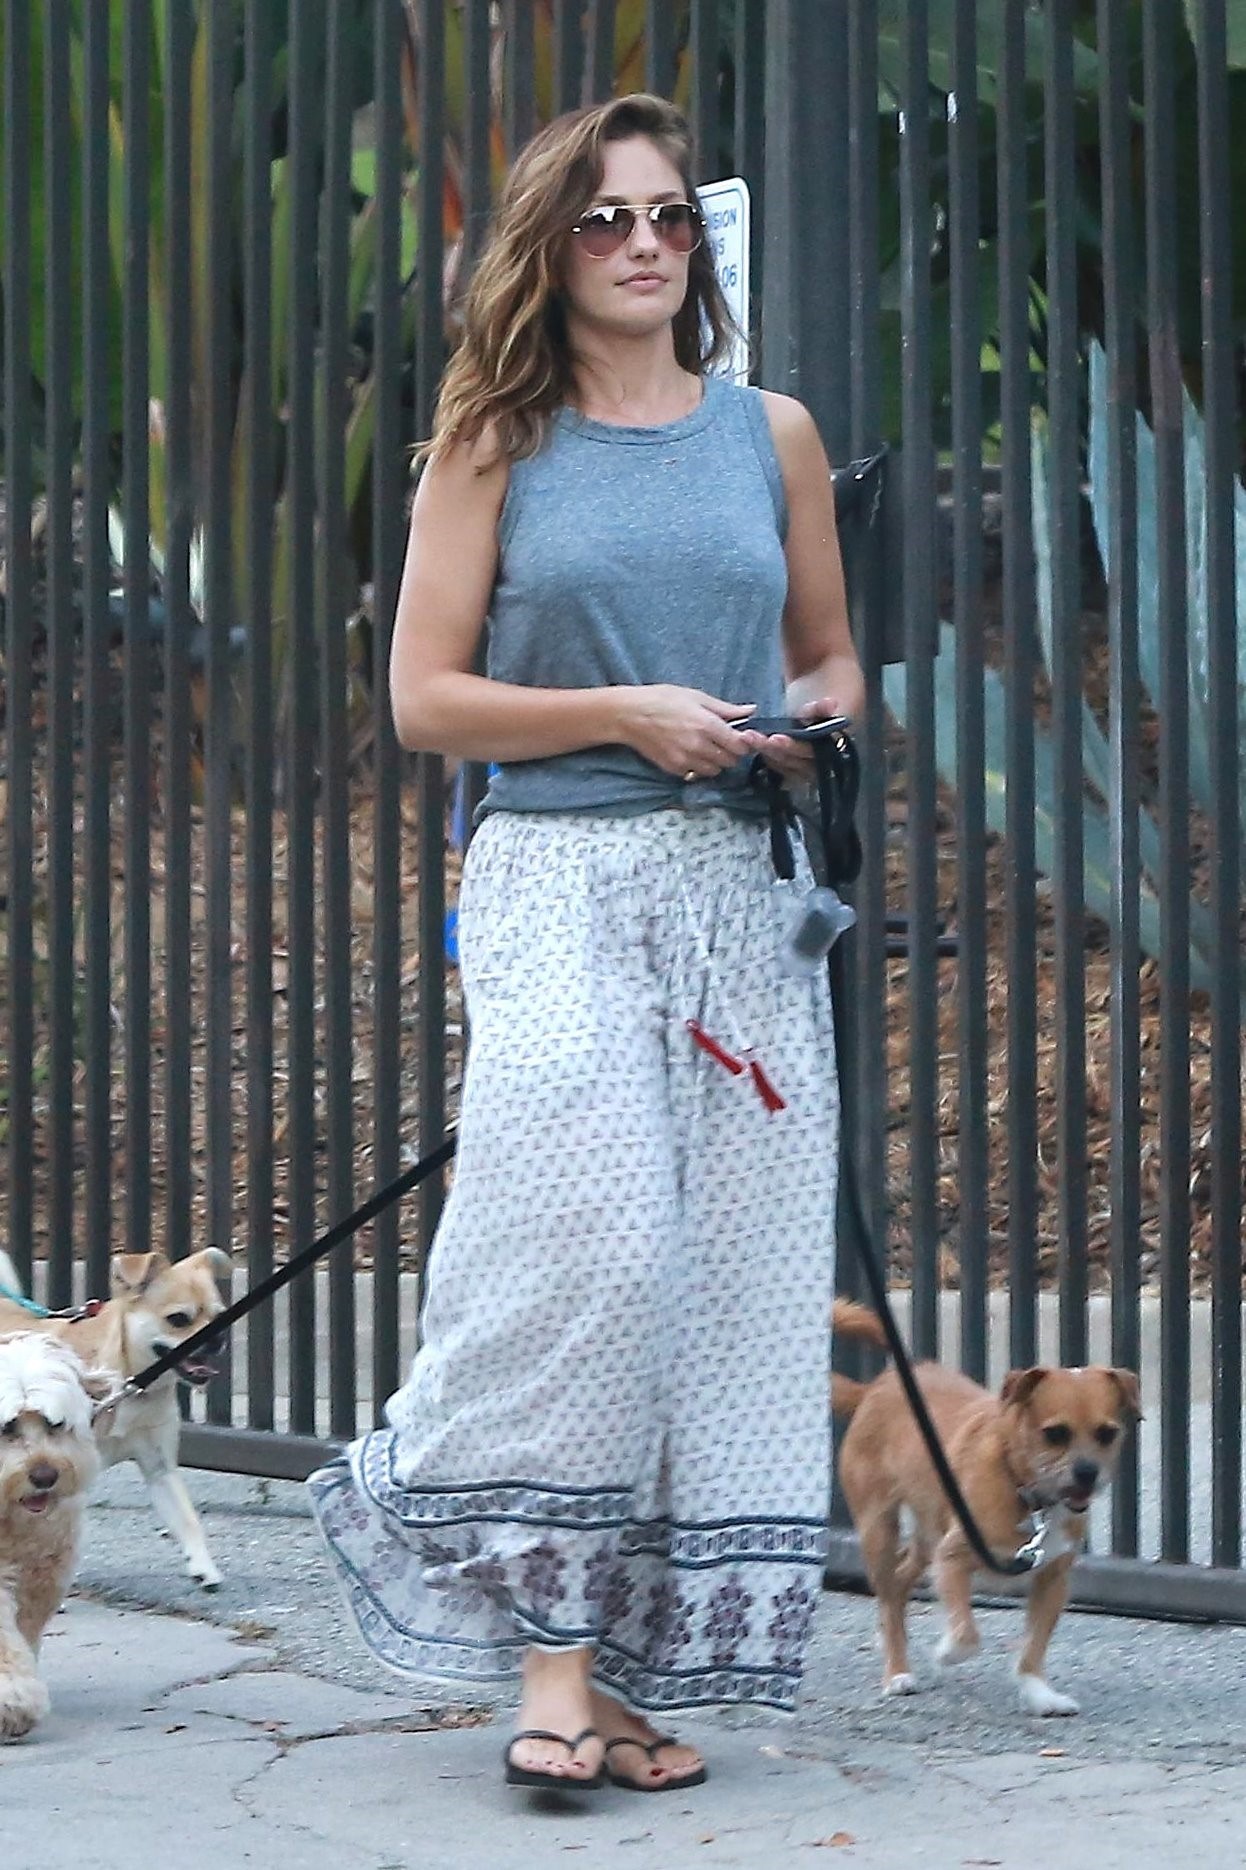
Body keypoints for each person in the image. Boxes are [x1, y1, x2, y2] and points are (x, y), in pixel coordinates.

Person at [309, 91, 865, 1797]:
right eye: (606, 218)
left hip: (739, 895)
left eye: (668, 217)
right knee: (594, 1246)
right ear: (545, 248)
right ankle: (543, 1647)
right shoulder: (492, 441)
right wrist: (623, 710)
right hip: (556, 879)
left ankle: (623, 1673)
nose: (643, 244)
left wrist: (801, 728)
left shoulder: (768, 433)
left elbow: (832, 655)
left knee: (725, 1284)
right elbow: (424, 698)